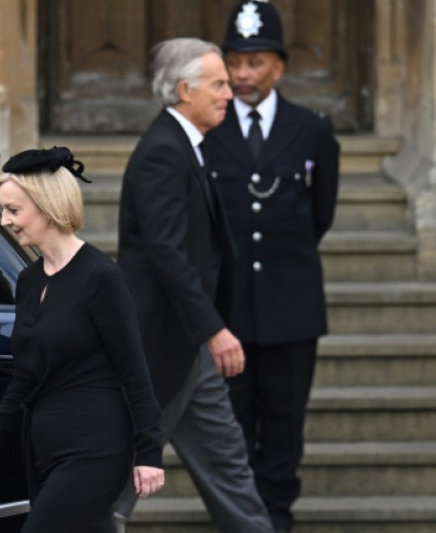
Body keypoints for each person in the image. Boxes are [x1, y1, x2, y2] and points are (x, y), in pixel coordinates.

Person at [113, 38, 274, 533]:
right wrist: (214, 329)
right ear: (185, 90)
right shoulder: (162, 151)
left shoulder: (184, 144)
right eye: (219, 84)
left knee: (229, 468)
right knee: (118, 480)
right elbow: (167, 253)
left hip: (188, 347)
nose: (230, 93)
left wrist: (206, 331)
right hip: (161, 346)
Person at [0, 146, 165, 532]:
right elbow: (25, 376)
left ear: (48, 206)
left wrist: (149, 452)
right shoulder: (29, 280)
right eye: (4, 209)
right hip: (43, 450)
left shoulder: (100, 277)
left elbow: (134, 370)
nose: (4, 220)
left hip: (95, 448)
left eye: (14, 210)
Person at [203, 3, 340, 531]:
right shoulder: (208, 130)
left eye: (255, 62)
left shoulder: (312, 130)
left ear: (278, 66)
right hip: (229, 310)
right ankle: (238, 519)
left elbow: (319, 215)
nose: (243, 74)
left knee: (284, 425)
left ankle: (276, 517)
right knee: (231, 424)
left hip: (291, 307)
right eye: (235, 62)